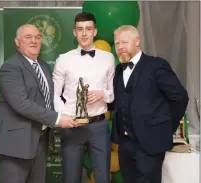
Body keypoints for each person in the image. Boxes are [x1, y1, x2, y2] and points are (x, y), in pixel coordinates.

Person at [0, 24, 78, 183]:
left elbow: (51, 98)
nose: (34, 41)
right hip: (17, 145)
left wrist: (73, 113)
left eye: (37, 37)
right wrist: (57, 118)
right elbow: (21, 103)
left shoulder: (44, 66)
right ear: (17, 42)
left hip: (41, 140)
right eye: (28, 37)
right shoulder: (11, 67)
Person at [111, 25, 189, 183]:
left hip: (150, 145)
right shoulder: (119, 70)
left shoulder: (156, 65)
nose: (120, 47)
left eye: (124, 42)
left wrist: (165, 127)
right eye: (117, 43)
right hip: (125, 146)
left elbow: (180, 98)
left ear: (137, 41)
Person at [53, 12, 115, 183]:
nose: (84, 33)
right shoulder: (63, 60)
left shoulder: (108, 58)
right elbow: (55, 95)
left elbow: (112, 94)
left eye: (88, 29)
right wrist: (64, 116)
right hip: (71, 127)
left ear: (95, 31)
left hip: (99, 126)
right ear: (74, 32)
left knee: (103, 177)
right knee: (71, 178)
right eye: (80, 29)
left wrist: (103, 94)